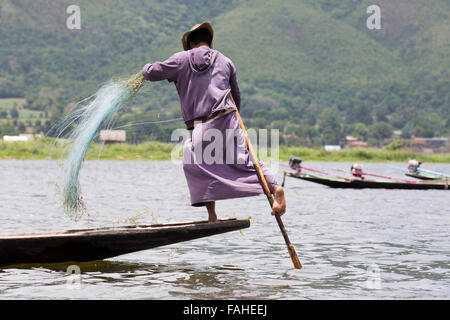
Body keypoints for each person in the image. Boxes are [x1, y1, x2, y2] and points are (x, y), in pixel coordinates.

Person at [142, 22, 286, 223]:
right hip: (228, 117)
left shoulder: (181, 59)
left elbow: (151, 73)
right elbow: (236, 96)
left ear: (191, 43)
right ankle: (275, 189)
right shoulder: (226, 61)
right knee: (244, 159)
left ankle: (211, 215)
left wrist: (144, 69)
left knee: (194, 160)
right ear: (209, 42)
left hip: (203, 124)